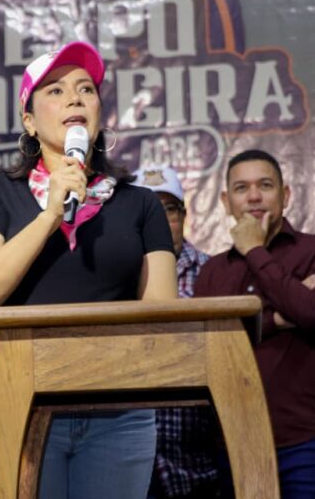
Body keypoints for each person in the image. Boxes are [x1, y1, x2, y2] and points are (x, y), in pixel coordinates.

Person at [0, 41, 178, 499]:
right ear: (28, 120)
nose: (75, 98)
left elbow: (160, 314)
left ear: (99, 112)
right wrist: (49, 216)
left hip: (119, 409)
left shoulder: (140, 203)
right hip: (26, 399)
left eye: (86, 89)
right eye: (55, 91)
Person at [194, 149, 315, 499]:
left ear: (285, 195)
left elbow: (313, 311)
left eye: (265, 185)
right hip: (235, 440)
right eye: (241, 188)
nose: (254, 197)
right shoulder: (213, 271)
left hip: (309, 439)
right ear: (225, 201)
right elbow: (206, 345)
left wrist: (254, 250)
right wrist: (277, 317)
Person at [132, 165, 221, 498]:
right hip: (130, 452)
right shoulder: (116, 277)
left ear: (183, 215)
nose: (158, 220)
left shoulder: (213, 272)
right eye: (149, 211)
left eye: (168, 209)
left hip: (198, 457)